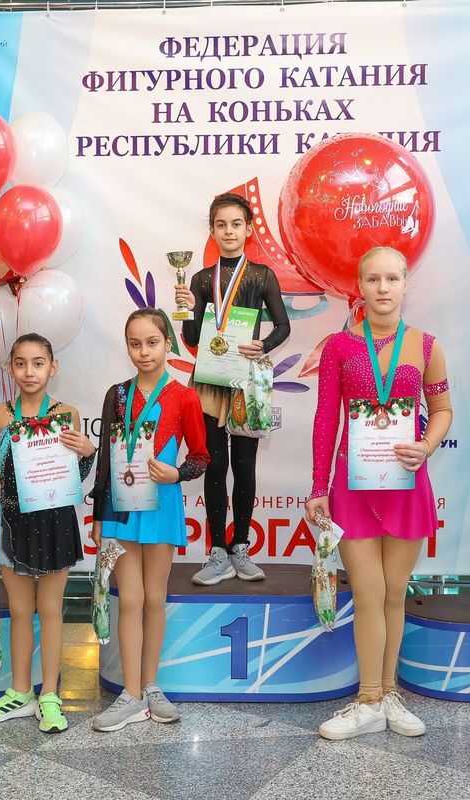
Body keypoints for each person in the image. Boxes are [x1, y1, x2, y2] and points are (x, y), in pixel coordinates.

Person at [307, 246, 452, 740]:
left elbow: (443, 410)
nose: (383, 287)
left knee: (394, 593)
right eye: (373, 279)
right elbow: (326, 418)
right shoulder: (339, 346)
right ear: (360, 286)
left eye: (392, 278)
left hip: (406, 483)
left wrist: (426, 446)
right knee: (368, 592)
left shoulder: (426, 345)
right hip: (352, 487)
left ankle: (388, 695)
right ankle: (368, 699)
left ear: (406, 284)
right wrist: (318, 486)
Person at [90, 308, 209, 731]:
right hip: (121, 507)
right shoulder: (117, 395)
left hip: (162, 504)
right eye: (135, 344)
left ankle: (152, 685)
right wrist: (99, 514)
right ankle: (131, 694)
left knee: (154, 598)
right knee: (131, 599)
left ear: (167, 344)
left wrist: (178, 473)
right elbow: (106, 458)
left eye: (152, 343)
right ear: (127, 347)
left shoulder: (184, 397)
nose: (144, 351)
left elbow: (201, 456)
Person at [0, 333, 96, 734]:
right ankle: (21, 691)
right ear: (10, 367)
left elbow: (73, 478)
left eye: (38, 363)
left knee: (51, 609)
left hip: (56, 522)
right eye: (21, 363)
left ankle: (50, 695)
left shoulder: (67, 414)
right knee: (21, 611)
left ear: (53, 367)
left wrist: (88, 454)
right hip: (11, 523)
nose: (30, 371)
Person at [176, 192, 290, 585]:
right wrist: (187, 307)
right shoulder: (200, 279)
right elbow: (193, 338)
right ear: (212, 230)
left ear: (249, 229)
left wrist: (264, 345)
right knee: (214, 465)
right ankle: (217, 553)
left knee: (244, 466)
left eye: (236, 224)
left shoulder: (262, 275)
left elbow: (283, 326)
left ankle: (241, 546)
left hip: (246, 381)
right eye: (221, 224)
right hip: (210, 380)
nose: (229, 231)